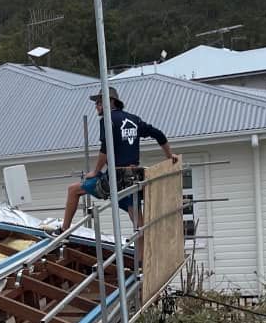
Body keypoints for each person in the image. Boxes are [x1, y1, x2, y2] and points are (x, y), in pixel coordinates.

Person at [57, 86, 179, 235]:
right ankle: (142, 257)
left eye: (99, 103)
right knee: (135, 217)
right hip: (134, 175)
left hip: (117, 177)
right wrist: (169, 155)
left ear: (110, 102)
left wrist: (95, 172)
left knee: (73, 190)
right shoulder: (134, 119)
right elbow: (158, 134)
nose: (96, 106)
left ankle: (63, 231)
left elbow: (105, 149)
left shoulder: (107, 120)